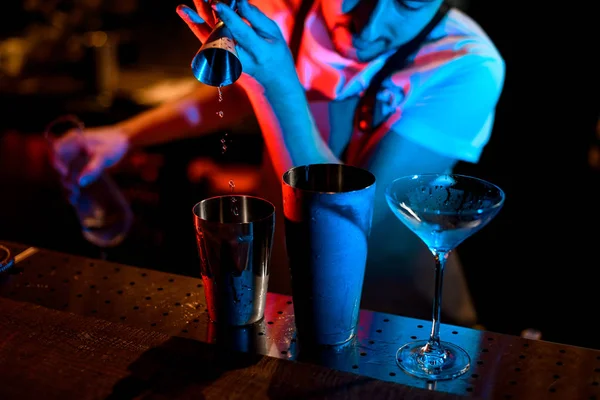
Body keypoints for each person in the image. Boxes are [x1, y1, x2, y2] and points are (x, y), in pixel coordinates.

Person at [53, 0, 505, 327]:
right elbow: (233, 93)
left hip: (392, 313)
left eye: (409, 2)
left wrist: (277, 83)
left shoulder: (466, 63)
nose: (369, 24)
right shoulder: (290, 10)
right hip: (279, 287)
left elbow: (359, 221)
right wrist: (124, 136)